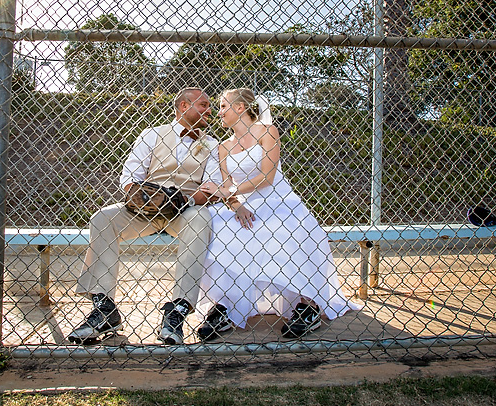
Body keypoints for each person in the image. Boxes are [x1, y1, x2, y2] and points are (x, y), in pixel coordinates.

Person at [195, 88, 359, 341]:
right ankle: (224, 305)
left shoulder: (267, 132)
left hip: (277, 199)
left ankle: (307, 305)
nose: (219, 112)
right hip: (244, 205)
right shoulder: (224, 147)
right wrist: (236, 205)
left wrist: (228, 190)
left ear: (240, 108)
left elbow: (266, 177)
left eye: (224, 106)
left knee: (283, 227)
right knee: (219, 226)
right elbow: (226, 188)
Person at [68, 87, 224, 345]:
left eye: (210, 106)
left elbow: (212, 187)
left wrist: (184, 200)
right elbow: (129, 177)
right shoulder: (151, 135)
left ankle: (178, 311)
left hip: (184, 213)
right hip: (145, 211)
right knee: (102, 218)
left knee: (201, 218)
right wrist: (145, 199)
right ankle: (104, 308)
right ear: (184, 107)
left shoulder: (212, 144)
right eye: (203, 105)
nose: (210, 110)